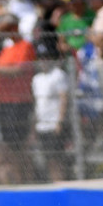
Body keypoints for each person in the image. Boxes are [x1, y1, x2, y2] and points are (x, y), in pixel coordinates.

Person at [0, 13, 37, 184]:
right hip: (4, 102)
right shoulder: (6, 49)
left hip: (19, 102)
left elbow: (19, 71)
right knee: (8, 147)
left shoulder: (25, 47)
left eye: (5, 30)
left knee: (20, 146)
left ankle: (27, 181)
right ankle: (17, 182)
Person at [31, 42, 70, 181]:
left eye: (46, 57)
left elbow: (63, 98)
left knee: (57, 158)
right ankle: (53, 182)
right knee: (47, 158)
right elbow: (37, 103)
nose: (43, 61)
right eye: (41, 58)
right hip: (42, 125)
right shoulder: (37, 79)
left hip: (54, 123)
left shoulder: (58, 75)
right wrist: (34, 126)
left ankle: (60, 182)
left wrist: (60, 121)